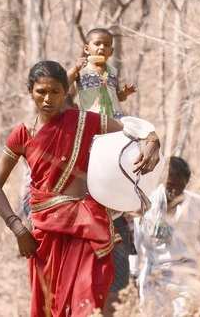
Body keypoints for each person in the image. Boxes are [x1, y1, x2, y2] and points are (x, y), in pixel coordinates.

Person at [0, 60, 161, 317]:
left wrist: (152, 140)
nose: (48, 98)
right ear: (30, 91)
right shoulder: (22, 135)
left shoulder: (84, 122)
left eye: (55, 91)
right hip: (43, 236)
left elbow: (134, 130)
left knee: (85, 304)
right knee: (49, 307)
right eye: (41, 92)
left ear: (65, 91)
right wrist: (17, 227)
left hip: (85, 231)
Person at [66, 27, 138, 312]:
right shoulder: (83, 72)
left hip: (114, 121)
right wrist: (73, 70)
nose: (101, 49)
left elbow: (115, 95)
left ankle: (121, 201)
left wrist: (124, 93)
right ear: (87, 47)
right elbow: (68, 89)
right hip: (93, 121)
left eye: (107, 46)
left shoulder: (111, 71)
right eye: (97, 44)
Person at [133, 157, 200, 317]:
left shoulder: (198, 204)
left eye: (179, 188)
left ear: (185, 185)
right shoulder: (147, 203)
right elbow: (137, 242)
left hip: (186, 275)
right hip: (154, 275)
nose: (173, 192)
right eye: (170, 186)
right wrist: (134, 273)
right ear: (163, 180)